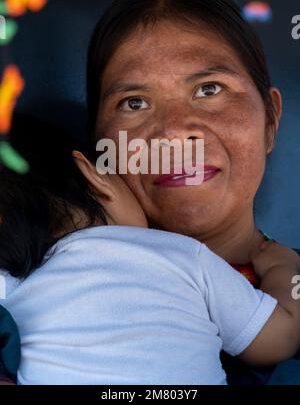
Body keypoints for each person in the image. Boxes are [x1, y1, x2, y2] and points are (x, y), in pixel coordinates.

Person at [85, 0, 300, 383]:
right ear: (98, 145)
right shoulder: (45, 299)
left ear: (270, 120)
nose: (172, 132)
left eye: (209, 89)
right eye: (134, 103)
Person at [0, 129, 300, 384]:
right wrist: (284, 268)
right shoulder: (179, 252)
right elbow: (278, 338)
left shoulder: (8, 284)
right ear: (94, 175)